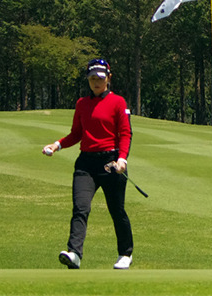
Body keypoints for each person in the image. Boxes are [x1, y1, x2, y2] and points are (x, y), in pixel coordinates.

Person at [42, 58, 134, 270]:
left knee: (116, 210)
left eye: (100, 78)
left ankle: (125, 253)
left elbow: (126, 133)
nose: (96, 82)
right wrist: (58, 145)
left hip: (111, 162)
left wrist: (122, 158)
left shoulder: (118, 102)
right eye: (92, 78)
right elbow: (76, 134)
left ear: (108, 78)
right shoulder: (82, 104)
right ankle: (74, 253)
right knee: (80, 208)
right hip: (86, 164)